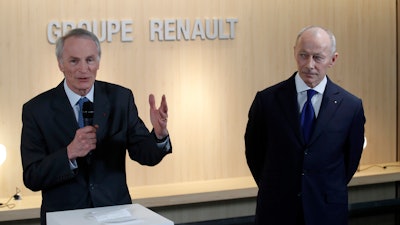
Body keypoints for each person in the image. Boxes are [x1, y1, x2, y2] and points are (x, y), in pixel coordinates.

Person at [20, 28, 172, 225]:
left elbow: (144, 155)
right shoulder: (37, 110)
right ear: (60, 64)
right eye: (74, 61)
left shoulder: (120, 98)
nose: (83, 69)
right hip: (65, 218)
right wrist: (68, 154)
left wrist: (159, 136)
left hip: (115, 215)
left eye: (90, 60)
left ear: (98, 62)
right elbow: (32, 177)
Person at [244, 26, 365, 225]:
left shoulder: (351, 107)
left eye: (318, 57)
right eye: (303, 55)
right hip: (277, 211)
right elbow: (254, 153)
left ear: (333, 59)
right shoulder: (267, 101)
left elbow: (350, 161)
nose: (309, 65)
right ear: (294, 52)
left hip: (326, 212)